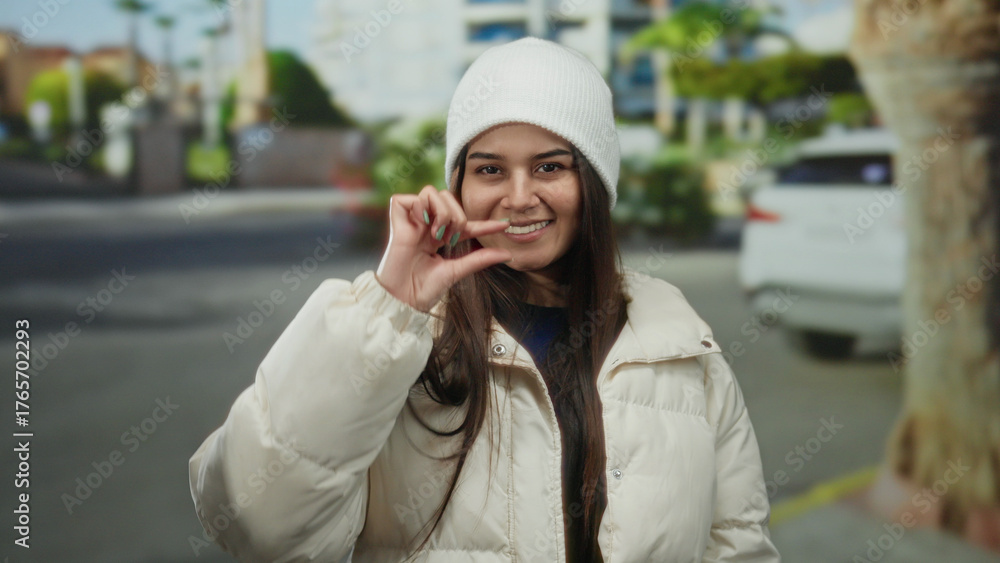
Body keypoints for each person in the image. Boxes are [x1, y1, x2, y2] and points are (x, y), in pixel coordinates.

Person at [188, 37, 780, 562]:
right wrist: (386, 309)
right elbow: (258, 528)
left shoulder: (680, 344)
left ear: (596, 183)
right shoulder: (400, 335)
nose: (519, 197)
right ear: (459, 185)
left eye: (550, 166)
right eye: (490, 170)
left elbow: (738, 545)